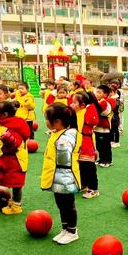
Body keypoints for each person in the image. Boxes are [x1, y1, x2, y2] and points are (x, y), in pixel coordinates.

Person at [41, 103, 81, 245]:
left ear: (57, 121)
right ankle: (65, 228)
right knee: (60, 203)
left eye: (47, 119)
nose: (45, 122)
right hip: (57, 175)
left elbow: (64, 156)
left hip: (65, 176)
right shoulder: (58, 133)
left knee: (68, 204)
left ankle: (72, 231)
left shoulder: (67, 136)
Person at [0, 100, 30, 214]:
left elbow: (16, 142)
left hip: (16, 160)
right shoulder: (6, 124)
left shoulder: (10, 127)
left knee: (17, 183)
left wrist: (9, 139)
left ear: (5, 115)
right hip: (11, 159)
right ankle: (14, 202)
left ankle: (16, 206)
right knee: (14, 181)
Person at [71, 92, 100, 199]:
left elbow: (95, 120)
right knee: (81, 164)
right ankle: (84, 184)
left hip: (87, 141)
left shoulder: (87, 111)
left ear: (83, 105)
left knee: (89, 166)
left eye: (74, 102)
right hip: (78, 141)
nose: (72, 104)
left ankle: (94, 189)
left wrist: (91, 103)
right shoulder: (76, 112)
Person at [94, 84, 115, 167]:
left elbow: (102, 110)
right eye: (96, 92)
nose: (97, 94)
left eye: (99, 92)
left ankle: (108, 160)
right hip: (97, 127)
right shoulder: (99, 102)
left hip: (104, 128)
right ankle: (102, 159)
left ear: (105, 95)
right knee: (99, 146)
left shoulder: (106, 102)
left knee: (105, 146)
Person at [109, 83, 121, 148]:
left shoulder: (117, 99)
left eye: (111, 92)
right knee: (111, 129)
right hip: (111, 116)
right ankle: (112, 140)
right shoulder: (111, 98)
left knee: (115, 129)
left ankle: (117, 141)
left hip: (115, 116)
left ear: (114, 92)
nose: (110, 94)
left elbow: (115, 108)